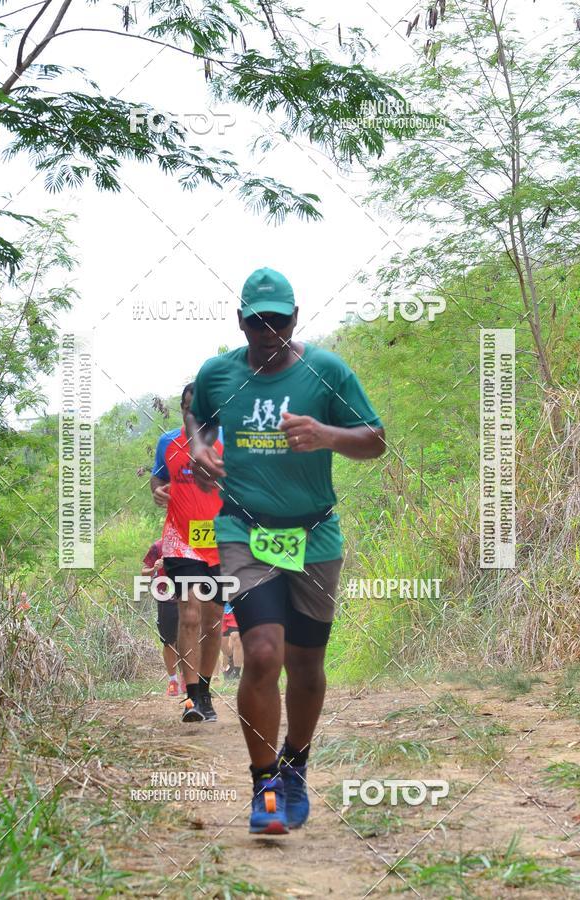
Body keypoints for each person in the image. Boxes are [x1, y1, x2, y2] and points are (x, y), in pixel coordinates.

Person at [185, 268, 384, 834]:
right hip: (245, 532)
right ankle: (264, 782)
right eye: (257, 319)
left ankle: (296, 763)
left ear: (295, 318)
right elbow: (197, 412)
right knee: (264, 651)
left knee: (306, 663)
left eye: (278, 318)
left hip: (314, 533)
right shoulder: (218, 373)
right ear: (241, 320)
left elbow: (375, 439)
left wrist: (327, 434)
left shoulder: (327, 372)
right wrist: (201, 446)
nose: (267, 328)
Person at [151, 383, 224, 723]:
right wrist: (159, 491)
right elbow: (157, 480)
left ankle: (206, 691)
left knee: (212, 618)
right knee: (190, 612)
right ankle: (192, 698)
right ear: (181, 409)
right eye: (187, 409)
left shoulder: (230, 441)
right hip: (181, 538)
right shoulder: (168, 442)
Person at [141, 538, 184, 696]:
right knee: (168, 641)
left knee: (187, 639)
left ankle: (187, 677)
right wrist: (154, 568)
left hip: (189, 596)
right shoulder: (157, 546)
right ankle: (173, 680)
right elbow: (144, 572)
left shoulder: (190, 541)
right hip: (165, 597)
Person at [221, 600, 243, 679]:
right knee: (221, 644)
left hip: (235, 610)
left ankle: (236, 673)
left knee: (236, 638)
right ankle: (232, 659)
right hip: (219, 610)